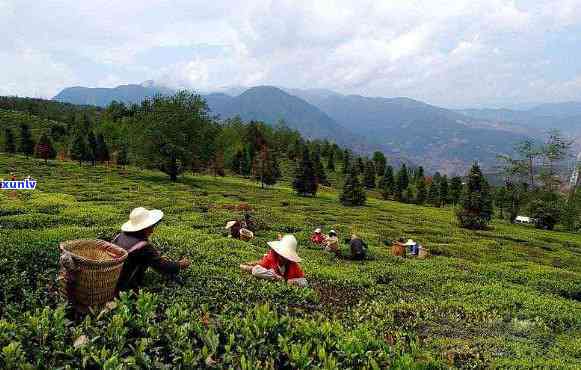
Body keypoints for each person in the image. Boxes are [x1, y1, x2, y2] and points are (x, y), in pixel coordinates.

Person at [113, 207, 190, 291]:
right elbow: (163, 267)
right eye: (151, 227)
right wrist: (180, 265)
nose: (152, 230)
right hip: (124, 285)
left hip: (113, 277)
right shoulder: (143, 247)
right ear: (143, 228)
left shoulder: (120, 235)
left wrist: (155, 257)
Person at [240, 234, 308, 287]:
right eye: (283, 254)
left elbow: (304, 281)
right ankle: (245, 266)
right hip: (269, 269)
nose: (284, 258)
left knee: (256, 264)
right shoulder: (272, 257)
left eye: (287, 256)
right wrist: (275, 277)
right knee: (254, 267)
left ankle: (246, 266)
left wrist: (294, 281)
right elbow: (256, 271)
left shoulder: (293, 264)